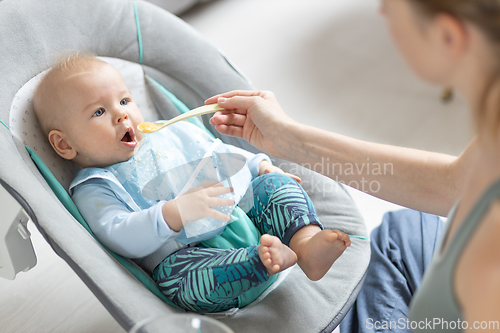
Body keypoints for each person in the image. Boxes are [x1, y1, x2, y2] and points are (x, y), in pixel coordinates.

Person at [206, 0, 500, 330]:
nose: (382, 12)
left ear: (448, 36)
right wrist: (289, 139)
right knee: (404, 231)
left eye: (390, 3)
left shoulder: (487, 268)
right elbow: (453, 184)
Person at [32, 53, 351, 313]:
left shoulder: (169, 134)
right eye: (99, 111)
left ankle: (305, 243)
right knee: (179, 282)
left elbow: (219, 154)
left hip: (241, 215)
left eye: (125, 101)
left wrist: (260, 166)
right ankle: (261, 263)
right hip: (188, 256)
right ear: (64, 145)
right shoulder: (95, 186)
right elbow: (118, 234)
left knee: (273, 185)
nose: (121, 116)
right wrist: (172, 214)